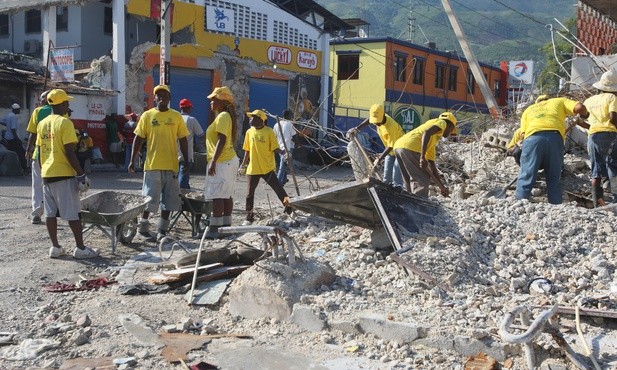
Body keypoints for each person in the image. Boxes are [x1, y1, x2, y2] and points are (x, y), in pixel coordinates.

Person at [35, 89, 99, 259]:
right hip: (63, 173)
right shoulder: (65, 123)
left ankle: (55, 247)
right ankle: (80, 248)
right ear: (61, 104)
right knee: (73, 213)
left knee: (50, 213)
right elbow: (70, 151)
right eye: (67, 102)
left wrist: (43, 171)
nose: (68, 105)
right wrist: (81, 173)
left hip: (47, 173)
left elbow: (40, 150)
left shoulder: (42, 124)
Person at [128, 85, 189, 242]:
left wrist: (187, 161)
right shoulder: (148, 116)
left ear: (169, 98)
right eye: (158, 95)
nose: (162, 97)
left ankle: (162, 231)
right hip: (153, 165)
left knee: (168, 201)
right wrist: (132, 160)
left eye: (165, 95)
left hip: (171, 166)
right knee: (149, 200)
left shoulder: (176, 117)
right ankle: (143, 228)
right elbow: (139, 138)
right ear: (154, 98)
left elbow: (183, 139)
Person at [515, 96, 589, 204]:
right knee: (554, 176)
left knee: (526, 174)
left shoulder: (529, 109)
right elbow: (579, 107)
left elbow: (522, 134)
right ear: (549, 100)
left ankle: (519, 205)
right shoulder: (558, 101)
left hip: (532, 139)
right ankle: (555, 207)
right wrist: (585, 114)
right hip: (554, 138)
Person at [239, 109, 292, 225]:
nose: (250, 119)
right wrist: (243, 164)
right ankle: (249, 217)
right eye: (250, 117)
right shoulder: (249, 132)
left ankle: (289, 207)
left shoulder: (269, 132)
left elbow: (275, 148)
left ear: (260, 119)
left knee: (279, 189)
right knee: (249, 193)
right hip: (253, 168)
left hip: (267, 167)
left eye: (253, 117)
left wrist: (284, 153)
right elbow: (247, 150)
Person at [203, 86, 240, 239]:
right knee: (226, 195)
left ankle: (215, 229)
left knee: (218, 195)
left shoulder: (223, 116)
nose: (211, 102)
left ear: (222, 101)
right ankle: (226, 227)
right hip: (228, 160)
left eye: (214, 99)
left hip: (222, 161)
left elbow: (222, 140)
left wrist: (213, 161)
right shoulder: (224, 116)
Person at [393, 112, 457, 198]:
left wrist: (441, 187)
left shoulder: (433, 138)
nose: (450, 132)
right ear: (449, 125)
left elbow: (432, 165)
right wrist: (422, 157)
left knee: (408, 177)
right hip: (411, 147)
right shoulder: (442, 122)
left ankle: (410, 200)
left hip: (399, 146)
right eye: (452, 129)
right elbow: (426, 132)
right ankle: (420, 201)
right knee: (421, 177)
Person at [348, 104, 404, 189]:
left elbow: (390, 146)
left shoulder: (391, 126)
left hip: (400, 150)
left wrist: (378, 159)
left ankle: (398, 191)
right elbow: (369, 120)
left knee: (396, 173)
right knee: (386, 176)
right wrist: (357, 128)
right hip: (390, 150)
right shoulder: (378, 117)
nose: (376, 123)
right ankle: (386, 191)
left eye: (377, 121)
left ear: (383, 115)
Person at [584, 69, 617, 207]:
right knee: (614, 166)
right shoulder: (612, 98)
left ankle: (597, 204)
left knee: (596, 171)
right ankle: (616, 200)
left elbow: (582, 121)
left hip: (593, 137)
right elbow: (613, 118)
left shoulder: (588, 100)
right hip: (610, 135)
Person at [25, 91, 53, 225]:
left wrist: (28, 150)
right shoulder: (61, 112)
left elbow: (32, 134)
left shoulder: (38, 111)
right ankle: (50, 212)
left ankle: (36, 213)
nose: (40, 101)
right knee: (52, 184)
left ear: (45, 100)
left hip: (39, 153)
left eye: (41, 99)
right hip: (56, 154)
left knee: (37, 184)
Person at [178, 98, 204, 189]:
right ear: (189, 108)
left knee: (175, 178)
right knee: (183, 178)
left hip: (173, 154)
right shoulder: (191, 120)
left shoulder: (175, 118)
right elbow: (201, 135)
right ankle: (181, 199)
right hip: (186, 155)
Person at [1, 103, 28, 173]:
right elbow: (13, 129)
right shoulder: (13, 117)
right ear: (16, 110)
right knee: (22, 153)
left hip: (8, 138)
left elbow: (2, 121)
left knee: (14, 153)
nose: (19, 111)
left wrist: (8, 125)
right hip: (13, 138)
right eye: (19, 110)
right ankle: (25, 168)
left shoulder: (9, 115)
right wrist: (17, 139)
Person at [272, 109, 296, 185]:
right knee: (283, 165)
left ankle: (284, 179)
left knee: (284, 163)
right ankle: (278, 182)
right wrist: (299, 144)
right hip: (287, 147)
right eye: (291, 115)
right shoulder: (289, 124)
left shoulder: (276, 124)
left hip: (279, 147)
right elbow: (294, 136)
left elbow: (274, 136)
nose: (292, 117)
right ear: (289, 116)